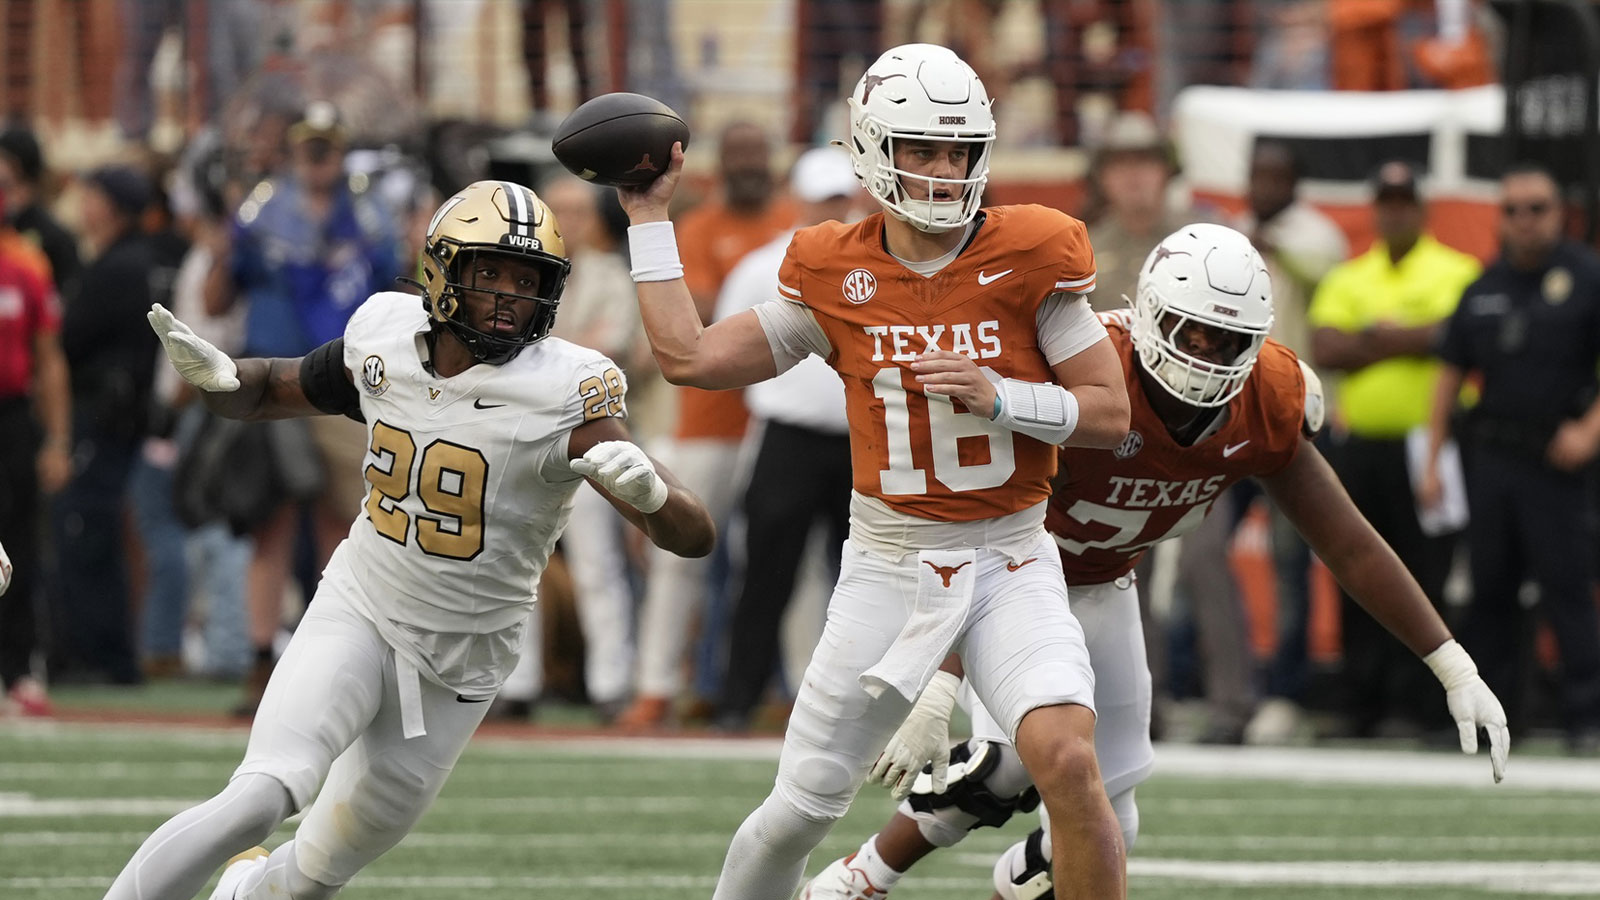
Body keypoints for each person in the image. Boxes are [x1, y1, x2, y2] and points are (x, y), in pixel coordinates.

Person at [801, 223, 1511, 900]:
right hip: (1006, 583)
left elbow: (1348, 542)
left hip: (1107, 586)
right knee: (1013, 763)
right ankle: (866, 875)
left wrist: (1451, 661)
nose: (1205, 352)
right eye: (1190, 330)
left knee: (1110, 826)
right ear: (1145, 314)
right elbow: (979, 532)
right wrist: (939, 680)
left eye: (1228, 338)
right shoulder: (1082, 377)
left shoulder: (1266, 398)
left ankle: (1012, 881)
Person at [102, 180, 715, 900]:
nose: (512, 295)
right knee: (262, 796)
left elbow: (693, 532)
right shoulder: (384, 337)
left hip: (462, 661)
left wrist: (651, 495)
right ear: (442, 270)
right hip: (360, 608)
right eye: (491, 272)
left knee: (310, 876)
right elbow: (274, 387)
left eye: (529, 279)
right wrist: (221, 379)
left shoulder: (567, 391)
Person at [620, 43, 1134, 899]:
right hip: (888, 565)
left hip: (1012, 556)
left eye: (959, 150)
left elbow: (1108, 413)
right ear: (869, 149)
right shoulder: (832, 267)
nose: (942, 171)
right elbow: (689, 358)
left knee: (1069, 762)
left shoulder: (1035, 250)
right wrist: (647, 218)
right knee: (799, 812)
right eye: (921, 149)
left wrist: (1002, 398)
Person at [208, 101, 402, 716]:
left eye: (328, 146)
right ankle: (263, 659)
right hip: (273, 382)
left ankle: (329, 658)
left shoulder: (369, 215)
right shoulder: (260, 212)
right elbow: (217, 297)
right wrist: (219, 240)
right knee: (272, 523)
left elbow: (397, 293)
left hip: (343, 380)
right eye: (310, 146)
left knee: (343, 522)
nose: (319, 158)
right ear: (295, 149)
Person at [616, 120, 796, 729]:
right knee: (678, 552)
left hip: (784, 412)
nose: (749, 164)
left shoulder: (797, 221)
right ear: (721, 164)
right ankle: (655, 685)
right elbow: (694, 316)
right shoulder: (697, 228)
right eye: (738, 153)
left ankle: (790, 686)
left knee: (785, 558)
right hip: (711, 416)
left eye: (757, 153)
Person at [1421, 162, 1600, 754]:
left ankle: (1585, 718)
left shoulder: (1586, 276)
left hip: (1558, 460)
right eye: (1513, 210)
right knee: (1490, 590)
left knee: (1567, 588)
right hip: (1492, 458)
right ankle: (1489, 720)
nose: (1524, 220)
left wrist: (1590, 432)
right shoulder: (1485, 285)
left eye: (1537, 208)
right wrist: (1431, 460)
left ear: (1561, 212)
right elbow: (1450, 372)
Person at [1305, 159, 1481, 740]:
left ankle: (1419, 705)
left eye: (1405, 202)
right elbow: (1326, 346)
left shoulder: (1455, 269)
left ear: (1421, 209)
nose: (1396, 211)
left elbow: (1457, 338)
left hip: (1429, 444)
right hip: (1361, 444)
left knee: (1423, 570)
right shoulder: (1354, 273)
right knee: (1356, 569)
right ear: (1376, 209)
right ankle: (1363, 701)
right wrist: (1414, 339)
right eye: (1387, 202)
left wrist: (1378, 339)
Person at [710, 146, 859, 732]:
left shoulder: (880, 265)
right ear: (800, 200)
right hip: (788, 438)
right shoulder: (762, 265)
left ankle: (866, 710)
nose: (833, 208)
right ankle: (738, 698)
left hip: (858, 441)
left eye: (840, 197)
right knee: (766, 576)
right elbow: (721, 346)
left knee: (869, 580)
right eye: (824, 198)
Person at [49, 165, 160, 686]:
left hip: (102, 419)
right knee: (92, 528)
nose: (83, 205)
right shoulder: (130, 262)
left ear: (113, 206)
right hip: (116, 419)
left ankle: (104, 656)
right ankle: (96, 651)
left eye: (91, 195)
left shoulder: (118, 269)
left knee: (86, 528)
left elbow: (68, 339)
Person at [0, 193, 68, 715]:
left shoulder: (25, 261)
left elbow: (49, 358)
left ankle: (19, 667)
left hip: (11, 416)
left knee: (19, 545)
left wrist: (58, 439)